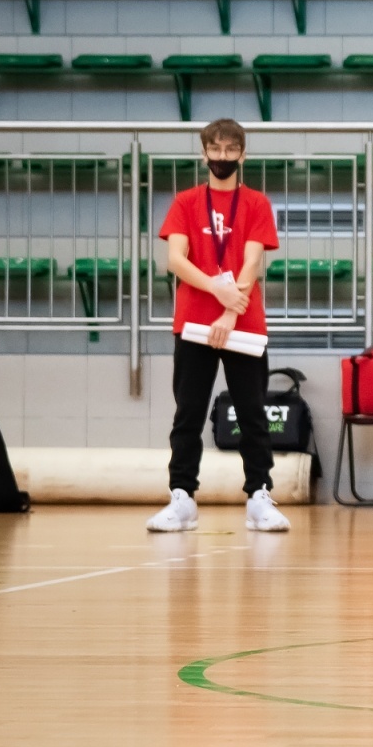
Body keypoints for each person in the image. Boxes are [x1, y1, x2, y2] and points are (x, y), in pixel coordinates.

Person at [147, 118, 289, 533]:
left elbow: (252, 261)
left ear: (242, 155)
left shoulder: (256, 203)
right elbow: (176, 259)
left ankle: (259, 495)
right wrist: (216, 289)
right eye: (215, 149)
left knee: (252, 412)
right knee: (188, 412)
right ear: (204, 152)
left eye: (230, 150)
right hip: (194, 321)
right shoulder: (186, 202)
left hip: (244, 322)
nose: (222, 156)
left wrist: (230, 311)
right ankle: (182, 497)